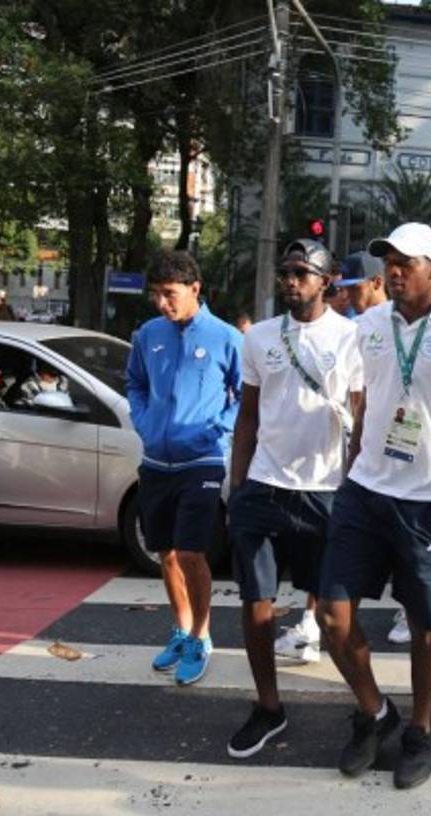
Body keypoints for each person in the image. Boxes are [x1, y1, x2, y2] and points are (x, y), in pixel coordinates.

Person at [317, 222, 431, 790]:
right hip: (366, 492)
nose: (392, 270)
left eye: (406, 262)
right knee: (332, 614)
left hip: (429, 502)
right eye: (388, 261)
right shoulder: (369, 325)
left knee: (426, 625)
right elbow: (368, 398)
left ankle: (419, 730)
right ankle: (375, 712)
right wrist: (352, 464)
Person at [226, 239, 363, 758]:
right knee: (255, 604)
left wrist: (352, 486)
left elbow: (362, 415)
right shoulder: (259, 337)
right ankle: (268, 707)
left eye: (302, 273)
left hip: (324, 492)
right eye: (286, 272)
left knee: (335, 614)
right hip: (263, 485)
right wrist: (237, 486)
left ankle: (368, 708)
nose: (291, 281)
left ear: (325, 281)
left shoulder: (349, 338)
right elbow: (249, 415)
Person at [125, 250, 243, 687]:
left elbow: (245, 394)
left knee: (193, 551)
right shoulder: (147, 334)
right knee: (166, 552)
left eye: (169, 294)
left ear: (195, 289)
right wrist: (145, 422)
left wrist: (220, 431)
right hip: (156, 458)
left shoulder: (226, 337)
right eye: (155, 294)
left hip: (203, 459)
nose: (161, 303)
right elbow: (135, 382)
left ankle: (202, 635)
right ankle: (180, 628)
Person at [339, 251, 389, 316]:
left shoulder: (399, 319)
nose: (347, 296)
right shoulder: (347, 320)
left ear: (377, 283)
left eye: (354, 288)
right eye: (346, 288)